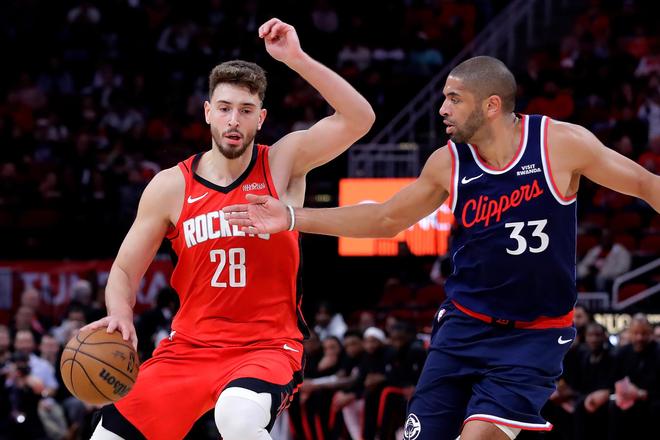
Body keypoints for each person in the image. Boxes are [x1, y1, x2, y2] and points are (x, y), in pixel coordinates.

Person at [223, 55, 660, 439]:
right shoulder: (448, 162)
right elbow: (385, 218)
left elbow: (644, 184)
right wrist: (292, 217)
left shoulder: (559, 144)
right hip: (463, 328)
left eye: (454, 99)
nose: (442, 109)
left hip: (533, 335)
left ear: (491, 105)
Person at [81, 17, 374, 440]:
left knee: (237, 419)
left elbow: (360, 118)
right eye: (224, 108)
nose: (234, 120)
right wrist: (121, 312)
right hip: (189, 348)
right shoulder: (170, 186)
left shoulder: (283, 161)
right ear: (208, 113)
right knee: (106, 436)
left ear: (261, 118)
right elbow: (125, 270)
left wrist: (296, 59)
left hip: (267, 347)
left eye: (246, 110)